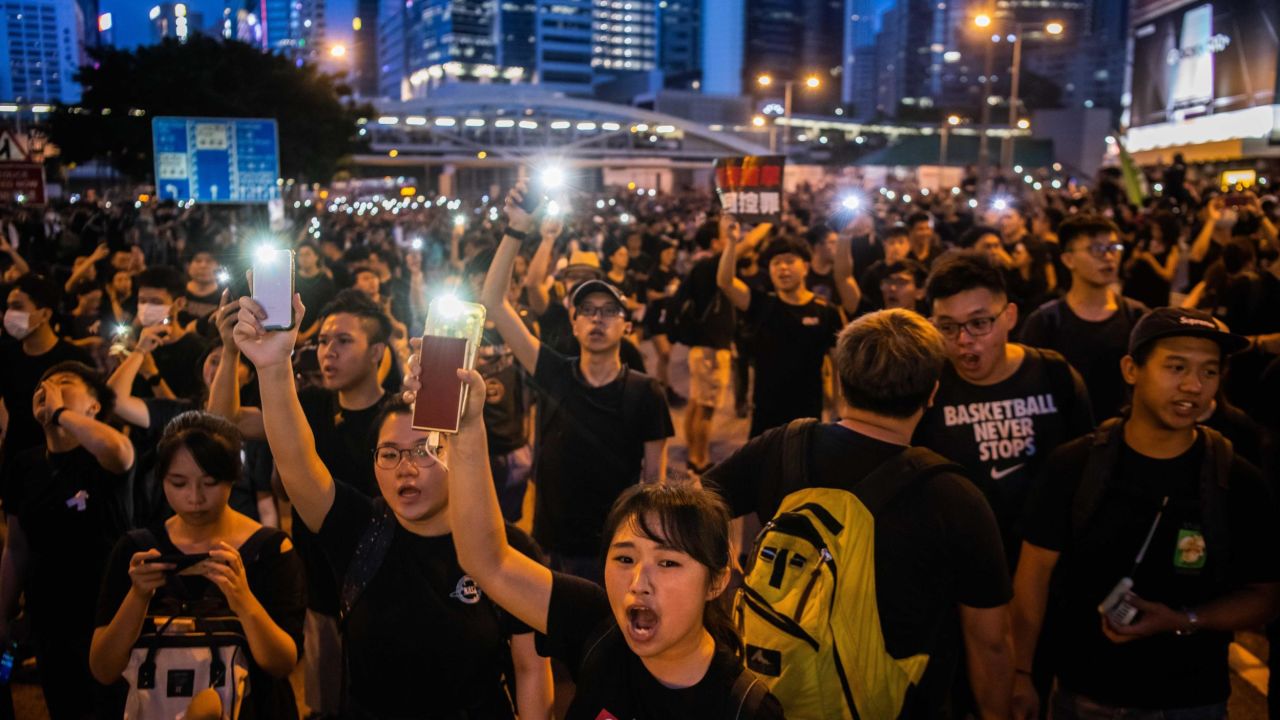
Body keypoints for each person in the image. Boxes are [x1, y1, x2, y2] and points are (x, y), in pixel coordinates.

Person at [233, 293, 553, 719]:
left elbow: (531, 670)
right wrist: (272, 367)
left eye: (424, 450)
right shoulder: (358, 530)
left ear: (453, 453)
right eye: (390, 453)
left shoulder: (507, 551)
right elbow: (296, 461)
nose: (406, 468)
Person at [705, 310, 1014, 718]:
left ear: (841, 380)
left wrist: (731, 579)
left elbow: (691, 508)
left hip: (771, 694)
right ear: (933, 392)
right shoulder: (954, 496)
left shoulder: (782, 447)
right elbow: (989, 640)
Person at [439, 366, 784, 718]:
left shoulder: (746, 708)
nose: (638, 583)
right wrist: (466, 427)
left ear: (716, 581)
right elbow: (487, 561)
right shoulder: (598, 627)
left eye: (667, 563)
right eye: (624, 559)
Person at [1011, 308, 1280, 719]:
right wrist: (1020, 674)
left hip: (1192, 700)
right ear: (1131, 369)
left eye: (1209, 372)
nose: (1194, 386)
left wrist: (1184, 618)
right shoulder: (1075, 466)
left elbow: (1265, 596)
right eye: (1176, 367)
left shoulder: (1235, 478)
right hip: (1084, 697)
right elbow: (1032, 578)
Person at [210, 288, 394, 717]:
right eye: (323, 341)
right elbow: (223, 425)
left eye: (344, 341)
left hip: (385, 583)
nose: (328, 352)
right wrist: (229, 351)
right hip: (320, 583)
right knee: (327, 703)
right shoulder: (307, 404)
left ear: (378, 352)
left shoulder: (399, 417)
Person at [481, 182, 673, 582]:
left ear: (626, 324)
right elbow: (494, 303)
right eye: (587, 310)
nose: (597, 319)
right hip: (551, 548)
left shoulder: (645, 392)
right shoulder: (553, 371)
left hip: (616, 552)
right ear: (573, 321)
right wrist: (516, 229)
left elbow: (654, 482)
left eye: (608, 311)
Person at [90, 411, 304, 719]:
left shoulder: (270, 550)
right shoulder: (137, 549)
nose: (195, 498)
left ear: (234, 477)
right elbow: (103, 668)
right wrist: (137, 597)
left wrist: (242, 599)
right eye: (178, 483)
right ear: (161, 479)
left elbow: (282, 663)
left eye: (210, 482)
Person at [914, 250, 1094, 565]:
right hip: (961, 561)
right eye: (948, 327)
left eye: (979, 323)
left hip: (1052, 561)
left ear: (1009, 316)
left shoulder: (1054, 375)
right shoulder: (927, 386)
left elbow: (1088, 468)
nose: (964, 339)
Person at [0, 362, 135, 718]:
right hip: (48, 613)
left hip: (105, 612)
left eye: (64, 383)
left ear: (93, 407)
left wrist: (59, 412)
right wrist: (3, 611)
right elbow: (15, 546)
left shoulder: (103, 455)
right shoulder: (24, 465)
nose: (48, 389)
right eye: (42, 385)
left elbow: (119, 450)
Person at [718, 227, 845, 437]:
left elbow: (837, 363)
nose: (782, 268)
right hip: (765, 411)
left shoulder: (827, 311)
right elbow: (725, 281)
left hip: (807, 411)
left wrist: (838, 408)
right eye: (776, 263)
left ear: (805, 267)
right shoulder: (760, 303)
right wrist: (732, 242)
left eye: (789, 261)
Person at [1019, 215, 1149, 421]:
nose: (1109, 257)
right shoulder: (1045, 322)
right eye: (1096, 249)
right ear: (1068, 259)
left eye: (1114, 248)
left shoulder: (1137, 316)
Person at [0, 274, 94, 476]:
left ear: (44, 314)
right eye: (8, 307)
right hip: (16, 457)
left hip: (61, 460)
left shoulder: (75, 360)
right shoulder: (6, 354)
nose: (9, 314)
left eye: (18, 307)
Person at [676, 216, 738, 474]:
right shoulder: (713, 266)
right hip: (712, 349)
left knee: (695, 403)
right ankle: (698, 459)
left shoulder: (699, 267)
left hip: (701, 346)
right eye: (727, 235)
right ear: (716, 243)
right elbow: (744, 249)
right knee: (706, 409)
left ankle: (693, 452)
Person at [131, 267, 211, 400]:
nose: (146, 308)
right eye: (142, 301)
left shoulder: (198, 351)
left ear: (180, 303)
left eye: (156, 302)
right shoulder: (135, 340)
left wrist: (151, 375)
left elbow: (187, 415)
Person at [857, 224, 912, 312]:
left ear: (909, 245)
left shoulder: (914, 270)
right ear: (884, 245)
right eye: (891, 243)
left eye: (901, 242)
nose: (896, 247)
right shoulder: (872, 273)